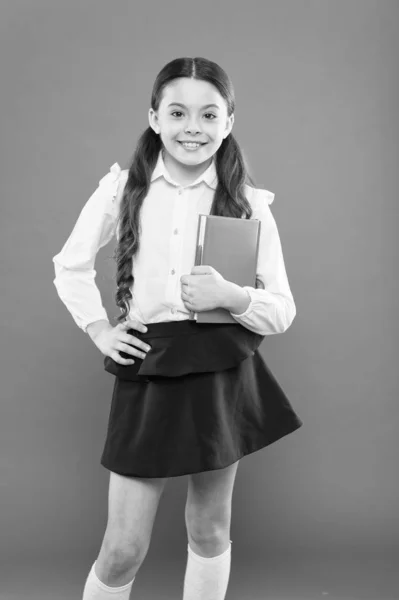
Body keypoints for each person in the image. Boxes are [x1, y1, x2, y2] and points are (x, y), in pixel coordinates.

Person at [52, 56, 303, 600]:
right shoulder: (122, 191)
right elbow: (68, 265)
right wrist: (99, 329)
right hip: (149, 363)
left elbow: (281, 310)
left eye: (209, 114)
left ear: (229, 122)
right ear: (154, 116)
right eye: (178, 112)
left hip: (219, 367)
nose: (194, 127)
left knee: (209, 528)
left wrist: (231, 297)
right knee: (123, 546)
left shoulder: (250, 203)